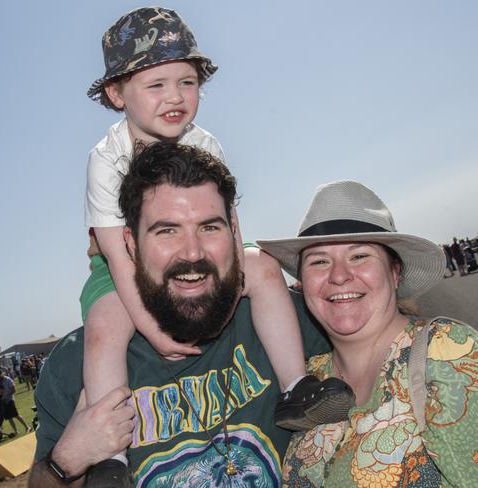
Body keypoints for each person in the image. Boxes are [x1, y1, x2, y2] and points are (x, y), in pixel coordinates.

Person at [82, 7, 349, 482]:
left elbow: (229, 227)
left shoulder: (206, 145)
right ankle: (112, 456)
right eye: (156, 84)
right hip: (122, 259)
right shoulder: (106, 160)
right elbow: (117, 256)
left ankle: (296, 387)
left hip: (198, 250)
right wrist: (154, 328)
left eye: (187, 82)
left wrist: (231, 289)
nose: (176, 97)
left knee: (263, 266)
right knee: (106, 323)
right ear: (117, 93)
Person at [31, 143, 351, 487]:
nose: (192, 252)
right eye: (166, 230)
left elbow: (385, 332)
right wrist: (67, 461)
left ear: (233, 232)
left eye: (209, 227)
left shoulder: (285, 318)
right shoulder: (77, 363)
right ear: (131, 245)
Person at [258, 180, 478, 486]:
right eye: (319, 262)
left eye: (359, 256)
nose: (338, 276)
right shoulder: (305, 382)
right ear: (302, 283)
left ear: (395, 272)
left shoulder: (455, 361)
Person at [0, 369, 31, 436]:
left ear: (2, 374)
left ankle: (27, 427)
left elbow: (14, 390)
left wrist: (7, 395)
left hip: (10, 400)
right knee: (9, 418)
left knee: (16, 415)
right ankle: (16, 431)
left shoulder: (8, 380)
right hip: (3, 401)